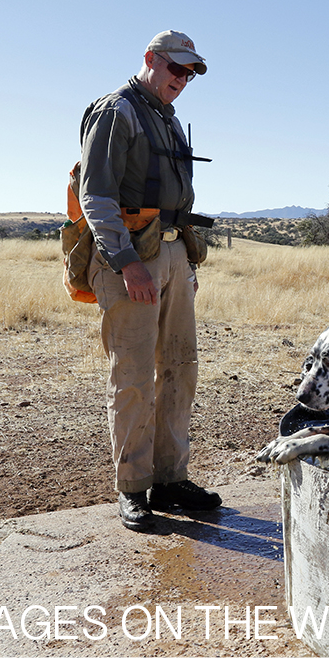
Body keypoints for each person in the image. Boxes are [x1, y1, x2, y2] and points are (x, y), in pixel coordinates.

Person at [79, 30, 221, 531]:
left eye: (189, 74)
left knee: (180, 368)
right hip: (131, 262)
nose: (181, 81)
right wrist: (126, 263)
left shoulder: (169, 120)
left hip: (173, 255)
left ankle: (170, 478)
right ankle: (134, 488)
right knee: (134, 377)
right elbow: (96, 196)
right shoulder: (115, 111)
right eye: (175, 69)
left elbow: (175, 201)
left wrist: (186, 263)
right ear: (150, 60)